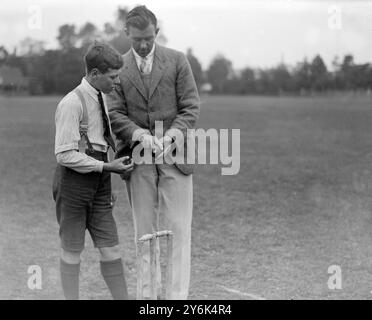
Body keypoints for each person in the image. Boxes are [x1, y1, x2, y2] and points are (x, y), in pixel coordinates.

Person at [107, 5, 200, 299]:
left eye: (149, 37)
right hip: (139, 161)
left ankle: (176, 300)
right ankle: (147, 300)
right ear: (126, 35)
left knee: (179, 233)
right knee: (144, 235)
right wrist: (140, 136)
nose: (144, 45)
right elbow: (115, 113)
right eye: (137, 40)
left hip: (176, 159)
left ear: (157, 32)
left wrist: (172, 135)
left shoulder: (177, 61)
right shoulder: (118, 69)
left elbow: (190, 107)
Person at [52, 41, 134, 300]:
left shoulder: (102, 98)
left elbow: (100, 141)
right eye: (113, 77)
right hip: (73, 184)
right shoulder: (71, 103)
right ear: (95, 74)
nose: (117, 82)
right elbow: (64, 154)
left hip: (99, 182)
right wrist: (106, 167)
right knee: (72, 251)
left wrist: (107, 178)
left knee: (111, 249)